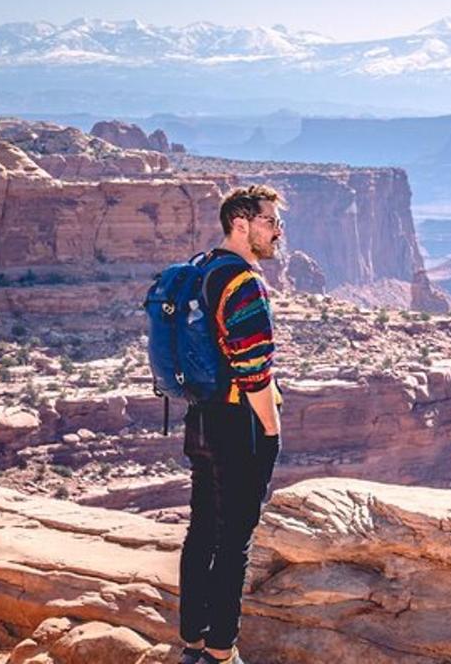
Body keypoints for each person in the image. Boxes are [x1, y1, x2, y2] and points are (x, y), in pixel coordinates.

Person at [178, 184, 285, 664]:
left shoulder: (202, 268)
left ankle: (192, 643)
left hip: (199, 415)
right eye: (269, 221)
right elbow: (253, 365)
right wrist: (270, 428)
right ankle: (222, 651)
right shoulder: (242, 281)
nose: (277, 230)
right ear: (240, 224)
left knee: (202, 530)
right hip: (236, 421)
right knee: (235, 538)